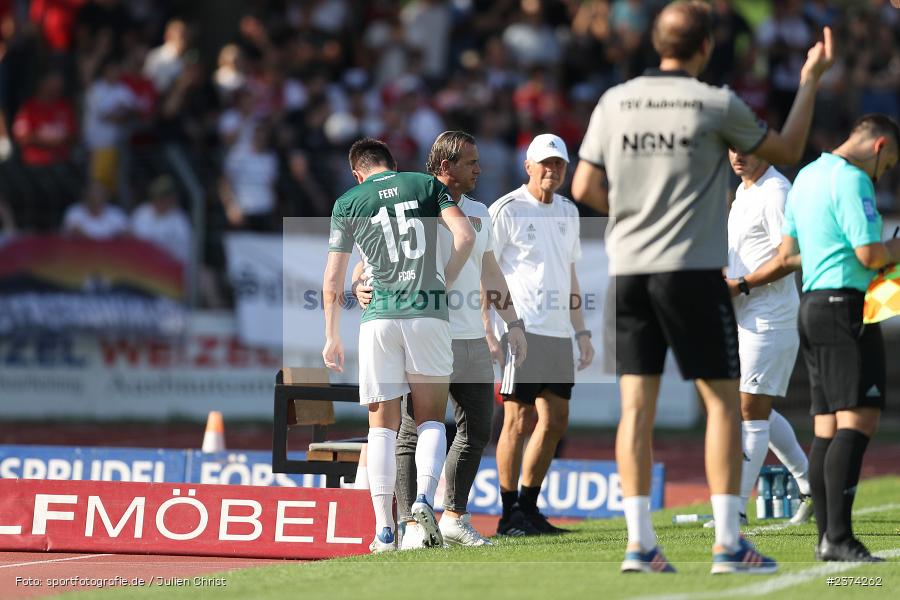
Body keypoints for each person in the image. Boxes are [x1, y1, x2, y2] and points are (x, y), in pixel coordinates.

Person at [571, 0, 833, 574]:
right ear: (707, 48)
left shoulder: (616, 101)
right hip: (690, 269)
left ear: (652, 43)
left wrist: (635, 218)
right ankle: (728, 544)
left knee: (635, 408)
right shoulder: (716, 102)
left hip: (630, 267)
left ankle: (639, 545)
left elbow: (585, 183)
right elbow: (786, 151)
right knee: (722, 404)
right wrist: (810, 80)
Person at [354, 131, 527, 548]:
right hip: (424, 332)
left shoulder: (481, 212)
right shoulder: (412, 203)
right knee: (412, 432)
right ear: (445, 167)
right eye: (471, 163)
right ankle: (412, 525)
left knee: (478, 427)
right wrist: (359, 283)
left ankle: (451, 516)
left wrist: (513, 322)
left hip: (469, 336)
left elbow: (490, 272)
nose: (479, 170)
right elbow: (371, 259)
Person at [322, 138, 475, 553]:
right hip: (427, 314)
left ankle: (383, 532)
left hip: (379, 319)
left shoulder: (349, 201)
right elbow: (464, 235)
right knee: (428, 420)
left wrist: (332, 334)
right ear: (393, 163)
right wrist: (444, 277)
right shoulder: (424, 185)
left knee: (382, 426)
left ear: (358, 172)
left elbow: (333, 279)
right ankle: (424, 499)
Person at [773, 114, 900, 562]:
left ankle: (828, 537)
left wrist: (828, 251)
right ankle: (839, 538)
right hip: (845, 308)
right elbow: (870, 254)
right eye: (886, 166)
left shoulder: (806, 176)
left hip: (812, 305)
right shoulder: (851, 180)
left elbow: (787, 254)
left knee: (826, 425)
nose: (879, 175)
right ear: (879, 145)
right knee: (859, 420)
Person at [489, 133, 594, 536]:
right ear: (528, 167)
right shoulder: (508, 209)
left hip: (556, 331)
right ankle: (507, 511)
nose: (552, 170)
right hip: (522, 329)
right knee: (517, 419)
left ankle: (529, 509)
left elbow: (570, 275)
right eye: (545, 163)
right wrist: (491, 329)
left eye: (559, 164)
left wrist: (581, 330)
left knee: (556, 419)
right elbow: (488, 272)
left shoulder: (569, 211)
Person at [702, 149, 813, 529]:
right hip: (744, 314)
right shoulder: (745, 191)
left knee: (749, 411)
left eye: (747, 149)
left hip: (770, 317)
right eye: (732, 149)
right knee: (751, 406)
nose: (738, 156)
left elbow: (793, 255)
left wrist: (743, 284)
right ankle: (811, 483)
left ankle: (733, 510)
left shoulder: (777, 191)